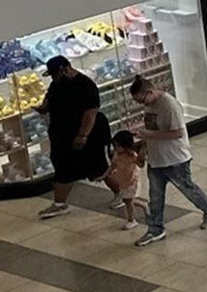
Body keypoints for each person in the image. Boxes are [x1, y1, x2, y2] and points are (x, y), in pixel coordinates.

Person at [130, 74, 207, 246]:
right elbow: (150, 128)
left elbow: (177, 132)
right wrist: (143, 148)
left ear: (149, 92)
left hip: (175, 158)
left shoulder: (169, 106)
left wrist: (149, 135)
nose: (142, 105)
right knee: (155, 196)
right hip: (156, 159)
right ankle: (155, 229)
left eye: (142, 100)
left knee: (187, 188)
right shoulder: (150, 105)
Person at [35, 56, 111, 220]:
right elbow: (49, 99)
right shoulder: (56, 84)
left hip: (87, 135)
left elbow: (90, 113)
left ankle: (124, 193)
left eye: (55, 73)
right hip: (62, 136)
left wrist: (82, 135)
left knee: (99, 169)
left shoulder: (85, 85)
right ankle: (59, 204)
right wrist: (43, 108)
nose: (53, 77)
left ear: (65, 69)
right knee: (63, 169)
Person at [103, 130, 146, 232]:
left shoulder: (132, 156)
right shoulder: (117, 155)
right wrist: (105, 175)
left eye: (118, 146)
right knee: (127, 200)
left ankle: (131, 220)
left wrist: (143, 150)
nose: (116, 149)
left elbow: (140, 164)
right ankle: (143, 205)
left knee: (128, 200)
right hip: (123, 181)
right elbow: (112, 166)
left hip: (132, 181)